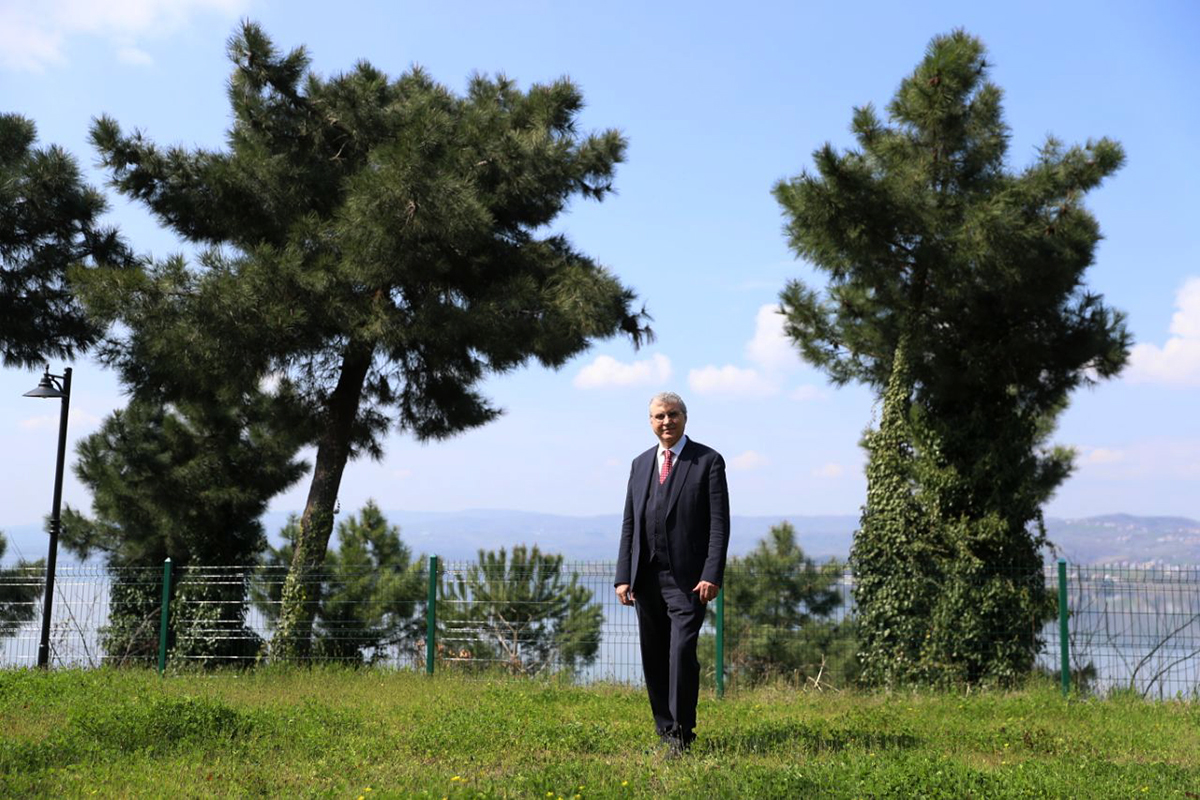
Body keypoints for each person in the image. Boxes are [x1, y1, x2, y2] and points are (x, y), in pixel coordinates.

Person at [615, 391, 730, 754]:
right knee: (654, 655)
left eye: (673, 415)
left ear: (685, 417)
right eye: (659, 416)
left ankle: (682, 733)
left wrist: (712, 573)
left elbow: (718, 525)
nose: (667, 422)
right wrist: (623, 576)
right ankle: (665, 730)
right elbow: (629, 524)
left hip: (688, 581)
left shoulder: (708, 462)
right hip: (645, 579)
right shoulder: (640, 464)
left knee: (681, 652)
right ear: (650, 422)